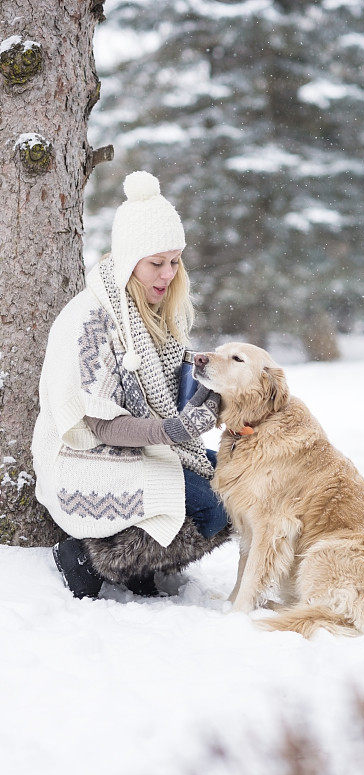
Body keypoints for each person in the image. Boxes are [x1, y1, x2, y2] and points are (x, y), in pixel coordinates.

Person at [31, 171, 229, 600]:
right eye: (156, 263)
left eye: (175, 261)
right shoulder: (92, 320)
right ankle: (90, 558)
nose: (168, 274)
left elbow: (166, 394)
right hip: (84, 453)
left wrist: (206, 394)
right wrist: (169, 432)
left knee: (238, 476)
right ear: (128, 259)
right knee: (207, 503)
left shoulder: (156, 314)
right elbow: (100, 424)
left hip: (145, 445)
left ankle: (141, 564)